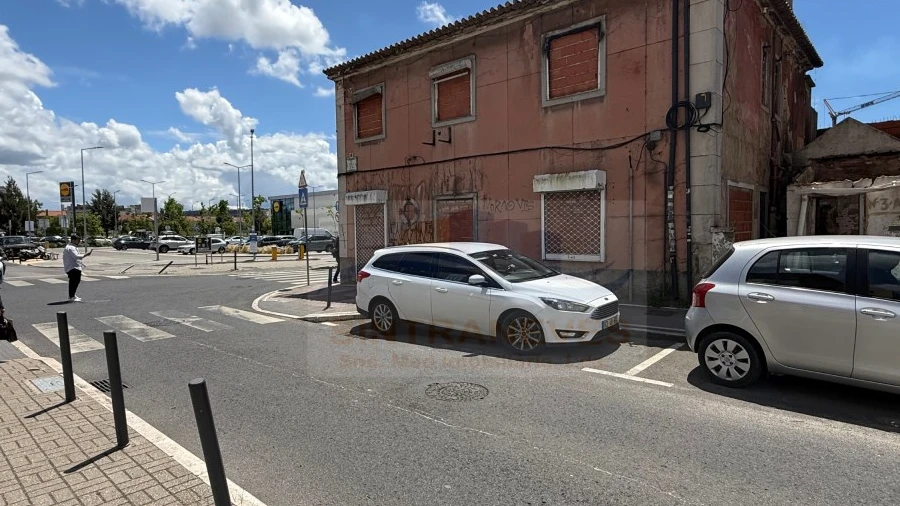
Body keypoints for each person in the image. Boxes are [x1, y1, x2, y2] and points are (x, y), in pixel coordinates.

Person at [63, 235, 92, 302]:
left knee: (74, 281)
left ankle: (72, 295)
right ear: (73, 240)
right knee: (74, 282)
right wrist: (86, 254)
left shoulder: (70, 247)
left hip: (71, 267)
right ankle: (71, 296)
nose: (79, 242)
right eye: (78, 240)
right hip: (73, 267)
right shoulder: (71, 247)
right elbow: (76, 256)